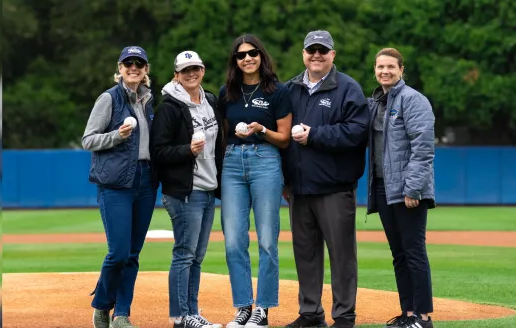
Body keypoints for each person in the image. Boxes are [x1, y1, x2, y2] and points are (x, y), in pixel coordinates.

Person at [281, 30, 370, 328]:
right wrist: (284, 179)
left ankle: (344, 316)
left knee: (342, 256)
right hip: (299, 188)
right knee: (305, 254)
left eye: (323, 50)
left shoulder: (348, 88)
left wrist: (315, 136)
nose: (316, 55)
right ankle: (311, 313)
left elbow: (357, 132)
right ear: (303, 54)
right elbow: (280, 135)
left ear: (333, 54)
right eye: (311, 50)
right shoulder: (290, 88)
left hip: (335, 187)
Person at [218, 34, 293, 328]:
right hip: (233, 162)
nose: (247, 58)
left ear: (261, 55)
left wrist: (262, 129)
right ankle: (243, 307)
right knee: (234, 241)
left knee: (266, 240)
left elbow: (285, 139)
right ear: (234, 61)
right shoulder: (227, 93)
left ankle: (262, 309)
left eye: (252, 53)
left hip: (265, 160)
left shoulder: (277, 91)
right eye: (241, 55)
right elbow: (224, 134)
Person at [82, 46, 157, 328]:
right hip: (115, 182)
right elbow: (88, 139)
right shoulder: (108, 98)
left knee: (133, 253)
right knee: (119, 253)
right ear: (120, 68)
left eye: (139, 63)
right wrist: (116, 135)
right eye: (129, 63)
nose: (134, 67)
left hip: (145, 180)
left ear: (146, 69)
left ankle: (122, 314)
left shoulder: (149, 100)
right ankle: (102, 305)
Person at [150, 50, 225, 328]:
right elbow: (158, 152)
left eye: (195, 68)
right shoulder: (169, 108)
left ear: (203, 71)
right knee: (184, 253)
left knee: (197, 256)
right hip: (183, 191)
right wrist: (187, 151)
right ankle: (181, 317)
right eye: (185, 70)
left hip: (207, 189)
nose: (191, 74)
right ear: (176, 76)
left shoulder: (210, 102)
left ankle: (192, 313)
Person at [367, 48, 436, 328]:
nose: (385, 71)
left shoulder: (413, 99)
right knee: (399, 254)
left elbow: (423, 148)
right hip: (383, 188)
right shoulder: (375, 102)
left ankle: (424, 317)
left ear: (401, 70)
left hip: (408, 191)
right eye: (380, 66)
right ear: (375, 69)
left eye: (390, 67)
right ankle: (408, 314)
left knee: (414, 252)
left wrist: (413, 189)